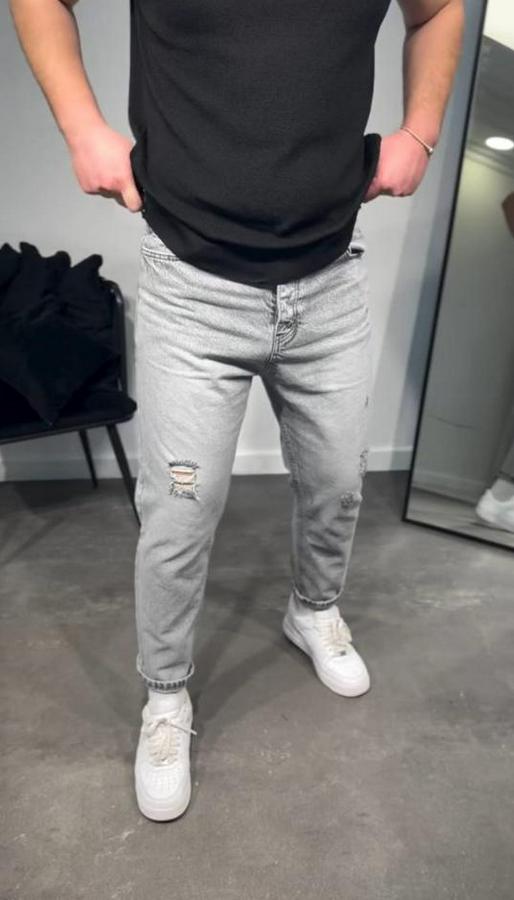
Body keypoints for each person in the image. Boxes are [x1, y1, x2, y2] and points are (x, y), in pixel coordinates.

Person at [10, 0, 464, 821]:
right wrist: (81, 128)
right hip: (194, 282)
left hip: (330, 276)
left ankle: (313, 610)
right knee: (181, 511)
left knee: (337, 483)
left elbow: (436, 10)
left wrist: (421, 132)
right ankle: (166, 695)